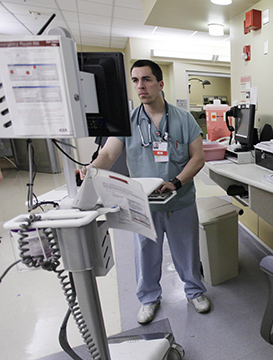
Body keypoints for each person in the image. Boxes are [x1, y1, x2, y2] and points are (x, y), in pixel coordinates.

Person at [83, 59, 210, 324]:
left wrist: (175, 182)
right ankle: (149, 299)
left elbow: (197, 158)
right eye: (135, 80)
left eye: (147, 79)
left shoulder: (183, 118)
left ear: (160, 84)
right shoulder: (126, 122)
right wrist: (91, 169)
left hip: (180, 200)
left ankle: (194, 291)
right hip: (142, 204)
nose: (140, 86)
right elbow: (107, 154)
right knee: (145, 255)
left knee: (187, 251)